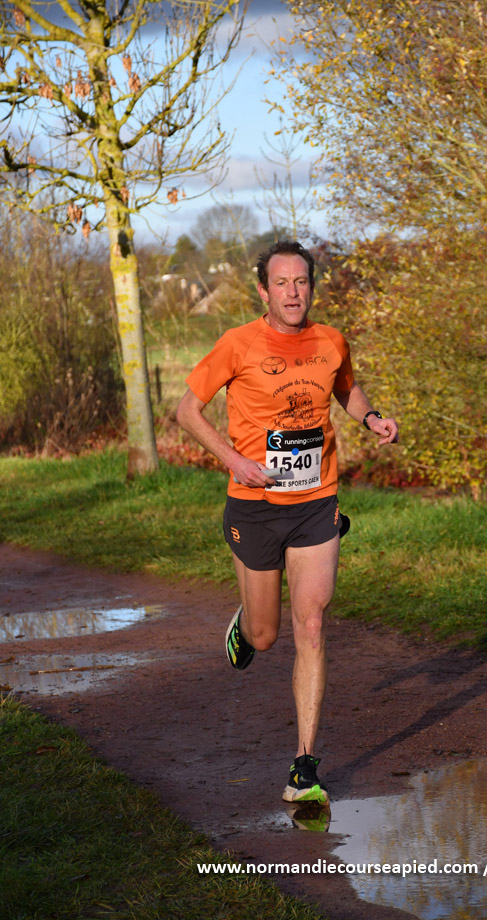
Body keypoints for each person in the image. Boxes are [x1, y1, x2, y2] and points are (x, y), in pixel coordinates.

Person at [176, 240, 398, 804]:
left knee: (313, 624)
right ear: (263, 290)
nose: (293, 293)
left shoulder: (331, 341)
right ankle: (246, 625)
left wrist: (371, 416)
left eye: (301, 282)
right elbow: (186, 411)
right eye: (282, 283)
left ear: (311, 287)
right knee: (266, 635)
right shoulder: (238, 343)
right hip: (254, 506)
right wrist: (233, 460)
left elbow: (346, 387)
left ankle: (304, 768)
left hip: (316, 502)